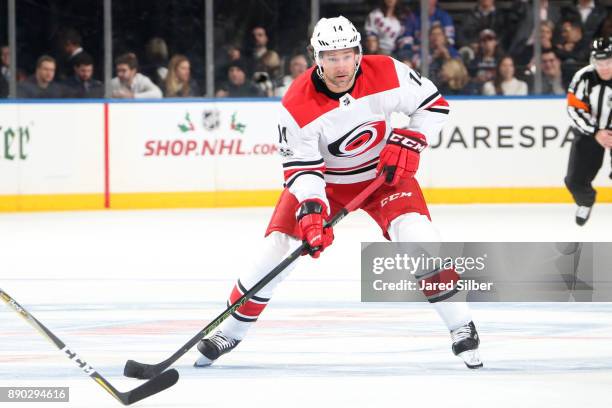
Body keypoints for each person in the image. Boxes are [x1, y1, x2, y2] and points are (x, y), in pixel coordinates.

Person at [195, 16, 483, 370]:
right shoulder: (296, 105)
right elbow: (301, 168)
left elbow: (434, 105)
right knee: (276, 248)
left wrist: (412, 138)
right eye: (331, 57)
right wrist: (313, 210)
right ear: (316, 58)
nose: (341, 65)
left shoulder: (388, 72)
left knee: (419, 236)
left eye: (347, 55)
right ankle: (231, 330)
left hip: (383, 176)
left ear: (359, 53)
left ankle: (460, 325)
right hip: (327, 182)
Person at [564, 37, 612, 226]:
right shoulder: (583, 77)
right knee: (574, 180)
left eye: (608, 61)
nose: (604, 67)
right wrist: (595, 132)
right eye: (599, 62)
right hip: (589, 133)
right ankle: (585, 201)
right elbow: (573, 108)